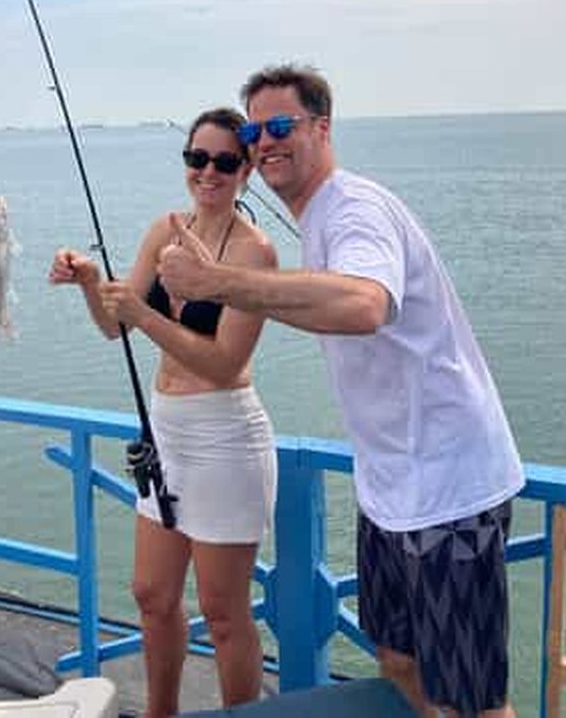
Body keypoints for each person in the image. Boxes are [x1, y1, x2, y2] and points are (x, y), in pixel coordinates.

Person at [158, 66, 524, 718]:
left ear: (322, 128)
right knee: (399, 659)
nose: (264, 141)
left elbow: (362, 305)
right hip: (390, 488)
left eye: (281, 125)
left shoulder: (354, 209)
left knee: (472, 697)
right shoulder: (320, 220)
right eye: (254, 129)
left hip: (450, 487)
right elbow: (326, 306)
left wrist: (218, 283)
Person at [49, 107, 277, 718]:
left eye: (225, 161)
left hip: (227, 439)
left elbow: (224, 363)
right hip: (166, 435)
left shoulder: (255, 255)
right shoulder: (164, 230)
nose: (208, 171)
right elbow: (114, 328)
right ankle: (161, 713)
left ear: (247, 168)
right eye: (196, 158)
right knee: (151, 594)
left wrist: (145, 314)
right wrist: (93, 284)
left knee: (225, 614)